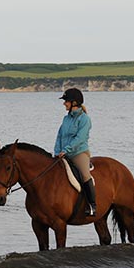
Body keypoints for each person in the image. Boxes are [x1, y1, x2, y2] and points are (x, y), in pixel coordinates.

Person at [54, 88, 96, 216]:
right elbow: (60, 136)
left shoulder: (84, 119)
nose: (64, 103)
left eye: (66, 101)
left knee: (84, 175)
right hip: (63, 153)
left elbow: (80, 138)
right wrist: (57, 152)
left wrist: (66, 150)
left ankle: (92, 205)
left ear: (74, 102)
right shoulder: (66, 119)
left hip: (78, 153)